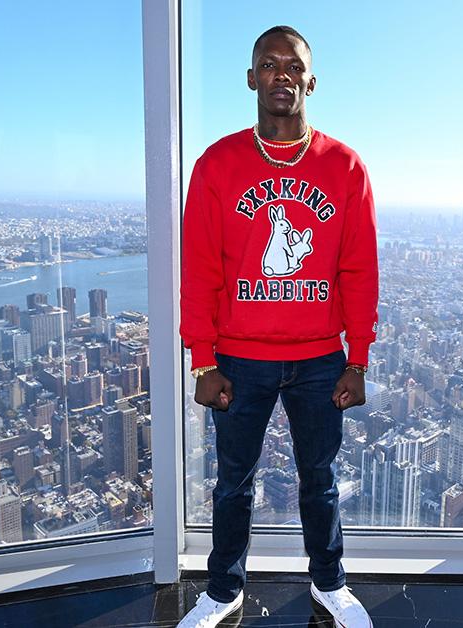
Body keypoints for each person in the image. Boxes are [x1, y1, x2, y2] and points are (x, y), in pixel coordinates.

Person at [176, 25, 378, 628]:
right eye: (269, 65)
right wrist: (204, 360)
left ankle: (330, 583)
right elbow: (200, 269)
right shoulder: (217, 164)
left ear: (310, 81)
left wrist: (358, 357)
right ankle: (222, 590)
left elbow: (359, 268)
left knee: (320, 479)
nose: (282, 75)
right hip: (238, 359)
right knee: (233, 483)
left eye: (293, 66)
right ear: (251, 78)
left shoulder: (344, 167)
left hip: (320, 359)